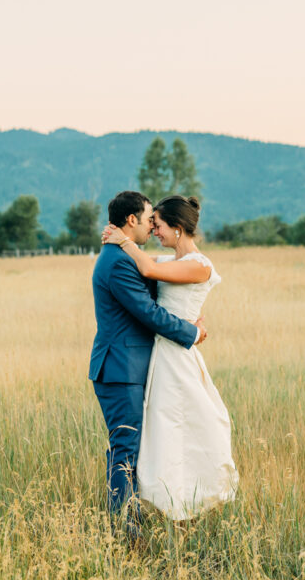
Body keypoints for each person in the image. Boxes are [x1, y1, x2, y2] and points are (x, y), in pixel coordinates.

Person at [102, 195, 238, 520]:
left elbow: (147, 268)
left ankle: (187, 501)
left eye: (159, 226)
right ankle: (164, 500)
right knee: (162, 430)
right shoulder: (170, 261)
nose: (155, 231)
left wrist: (123, 239)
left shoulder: (199, 264)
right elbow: (151, 268)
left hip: (177, 355)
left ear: (177, 229)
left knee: (188, 426)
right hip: (161, 352)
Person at [89, 191, 206, 538]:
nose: (151, 225)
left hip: (131, 368)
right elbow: (148, 312)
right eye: (147, 219)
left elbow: (157, 277)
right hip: (120, 369)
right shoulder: (117, 263)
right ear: (130, 221)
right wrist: (192, 333)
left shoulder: (124, 256)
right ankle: (125, 530)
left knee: (131, 448)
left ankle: (129, 520)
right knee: (125, 448)